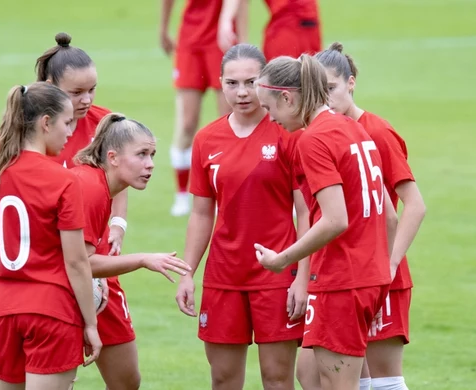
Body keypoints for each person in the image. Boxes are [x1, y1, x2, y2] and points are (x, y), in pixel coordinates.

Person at [0, 32, 128, 317]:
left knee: (124, 361)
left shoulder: (103, 122)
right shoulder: (25, 131)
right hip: (42, 274)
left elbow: (117, 178)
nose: (86, 100)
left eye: (92, 89)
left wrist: (118, 224)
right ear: (50, 87)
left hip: (95, 266)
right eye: (76, 92)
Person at [253, 54, 398, 390]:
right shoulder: (352, 127)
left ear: (287, 97)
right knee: (311, 375)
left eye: (269, 107)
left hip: (341, 280)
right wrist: (376, 278)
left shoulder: (314, 139)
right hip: (364, 277)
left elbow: (335, 220)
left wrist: (282, 259)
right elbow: (389, 216)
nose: (270, 117)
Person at [291, 42, 426, 390]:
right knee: (313, 372)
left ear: (350, 83)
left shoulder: (375, 131)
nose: (325, 97)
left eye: (331, 88)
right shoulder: (321, 135)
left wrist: (390, 265)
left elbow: (413, 205)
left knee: (383, 381)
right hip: (343, 272)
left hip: (377, 269)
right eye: (318, 90)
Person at [174, 43, 309, 390]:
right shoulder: (206, 139)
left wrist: (301, 278)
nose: (243, 92)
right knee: (223, 380)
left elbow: (306, 210)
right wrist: (188, 273)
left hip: (276, 273)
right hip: (224, 276)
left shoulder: (287, 134)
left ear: (265, 83)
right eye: (232, 83)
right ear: (220, 83)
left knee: (277, 379)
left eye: (251, 82)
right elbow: (202, 213)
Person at [0, 82, 102, 389]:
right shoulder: (64, 180)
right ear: (46, 123)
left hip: (2, 311)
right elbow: (76, 262)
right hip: (50, 311)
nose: (70, 132)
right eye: (66, 122)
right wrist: (91, 324)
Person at [72, 112, 192, 390]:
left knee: (127, 381)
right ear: (112, 158)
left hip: (96, 284)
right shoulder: (88, 187)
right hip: (58, 291)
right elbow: (82, 263)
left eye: (152, 155)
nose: (150, 165)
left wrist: (119, 224)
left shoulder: (103, 187)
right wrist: (143, 259)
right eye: (141, 155)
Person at [159, 0, 247, 216]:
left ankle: (226, 192)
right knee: (187, 124)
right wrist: (163, 28)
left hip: (220, 38)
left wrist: (228, 23)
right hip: (190, 39)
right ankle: (181, 195)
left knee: (229, 121)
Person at [218, 0, 321, 61]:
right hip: (287, 28)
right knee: (281, 86)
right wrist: (226, 20)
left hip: (310, 26)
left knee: (313, 86)